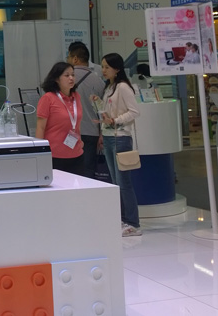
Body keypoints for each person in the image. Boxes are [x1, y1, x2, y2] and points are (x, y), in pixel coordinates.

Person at [93, 53, 141, 237]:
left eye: (107, 67)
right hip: (109, 135)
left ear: (117, 68)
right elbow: (109, 113)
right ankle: (121, 219)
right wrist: (99, 106)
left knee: (123, 182)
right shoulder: (109, 87)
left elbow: (134, 111)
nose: (104, 70)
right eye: (103, 67)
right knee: (115, 182)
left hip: (120, 137)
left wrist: (116, 120)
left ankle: (133, 222)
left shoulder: (123, 87)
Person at [36, 62, 85, 176]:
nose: (71, 78)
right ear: (57, 79)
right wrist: (39, 152)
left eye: (73, 75)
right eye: (67, 75)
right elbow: (40, 127)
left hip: (76, 153)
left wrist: (80, 140)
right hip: (54, 155)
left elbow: (76, 123)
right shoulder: (48, 98)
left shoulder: (76, 97)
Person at [68, 43, 105, 179]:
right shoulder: (99, 81)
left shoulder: (65, 78)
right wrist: (101, 133)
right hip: (91, 132)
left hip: (70, 132)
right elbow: (102, 110)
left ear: (75, 59)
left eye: (69, 57)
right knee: (88, 169)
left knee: (69, 167)